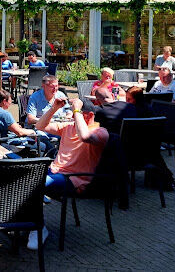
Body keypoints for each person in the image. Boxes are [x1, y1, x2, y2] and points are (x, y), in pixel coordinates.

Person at [31, 97, 109, 250]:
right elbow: (39, 126)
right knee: (22, 176)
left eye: (77, 114)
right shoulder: (68, 127)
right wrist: (54, 108)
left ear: (89, 115)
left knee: (34, 185)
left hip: (74, 180)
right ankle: (28, 222)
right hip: (55, 172)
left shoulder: (101, 132)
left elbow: (84, 136)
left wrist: (76, 110)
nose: (73, 117)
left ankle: (38, 228)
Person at [0, 90, 54, 157]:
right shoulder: (5, 114)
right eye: (10, 100)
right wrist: (32, 132)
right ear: (4, 101)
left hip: (0, 139)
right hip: (10, 142)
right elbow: (20, 133)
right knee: (44, 145)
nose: (11, 102)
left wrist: (15, 126)